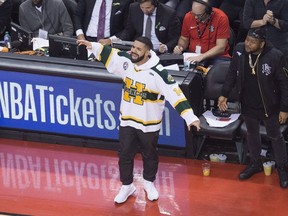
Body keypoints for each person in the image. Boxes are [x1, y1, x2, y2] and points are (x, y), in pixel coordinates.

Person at [77, 36, 200, 203]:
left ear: (148, 52)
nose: (133, 51)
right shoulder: (126, 61)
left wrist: (190, 118)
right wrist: (91, 45)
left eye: (138, 49)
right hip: (127, 120)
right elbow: (108, 53)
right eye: (133, 47)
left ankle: (149, 183)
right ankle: (127, 185)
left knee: (149, 154)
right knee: (124, 154)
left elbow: (175, 94)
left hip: (148, 124)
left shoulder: (159, 73)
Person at [218, 27, 288, 188]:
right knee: (251, 133)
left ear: (262, 43)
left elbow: (285, 84)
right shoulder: (240, 50)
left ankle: (282, 168)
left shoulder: (275, 56)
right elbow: (232, 72)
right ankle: (255, 163)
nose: (248, 44)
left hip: (270, 104)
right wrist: (224, 93)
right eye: (248, 40)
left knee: (275, 136)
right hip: (247, 101)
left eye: (253, 42)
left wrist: (285, 108)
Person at [100, 0, 181, 54]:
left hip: (158, 52)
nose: (145, 10)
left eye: (148, 8)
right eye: (142, 7)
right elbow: (128, 31)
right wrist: (112, 40)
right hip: (138, 51)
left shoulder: (169, 14)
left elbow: (174, 39)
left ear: (155, 4)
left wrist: (166, 47)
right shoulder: (134, 8)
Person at [173, 0, 230, 66]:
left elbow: (221, 47)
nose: (195, 17)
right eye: (193, 14)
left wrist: (202, 56)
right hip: (193, 55)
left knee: (217, 72)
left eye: (199, 15)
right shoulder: (188, 16)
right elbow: (184, 38)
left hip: (216, 57)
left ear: (208, 11)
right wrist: (180, 47)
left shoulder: (221, 18)